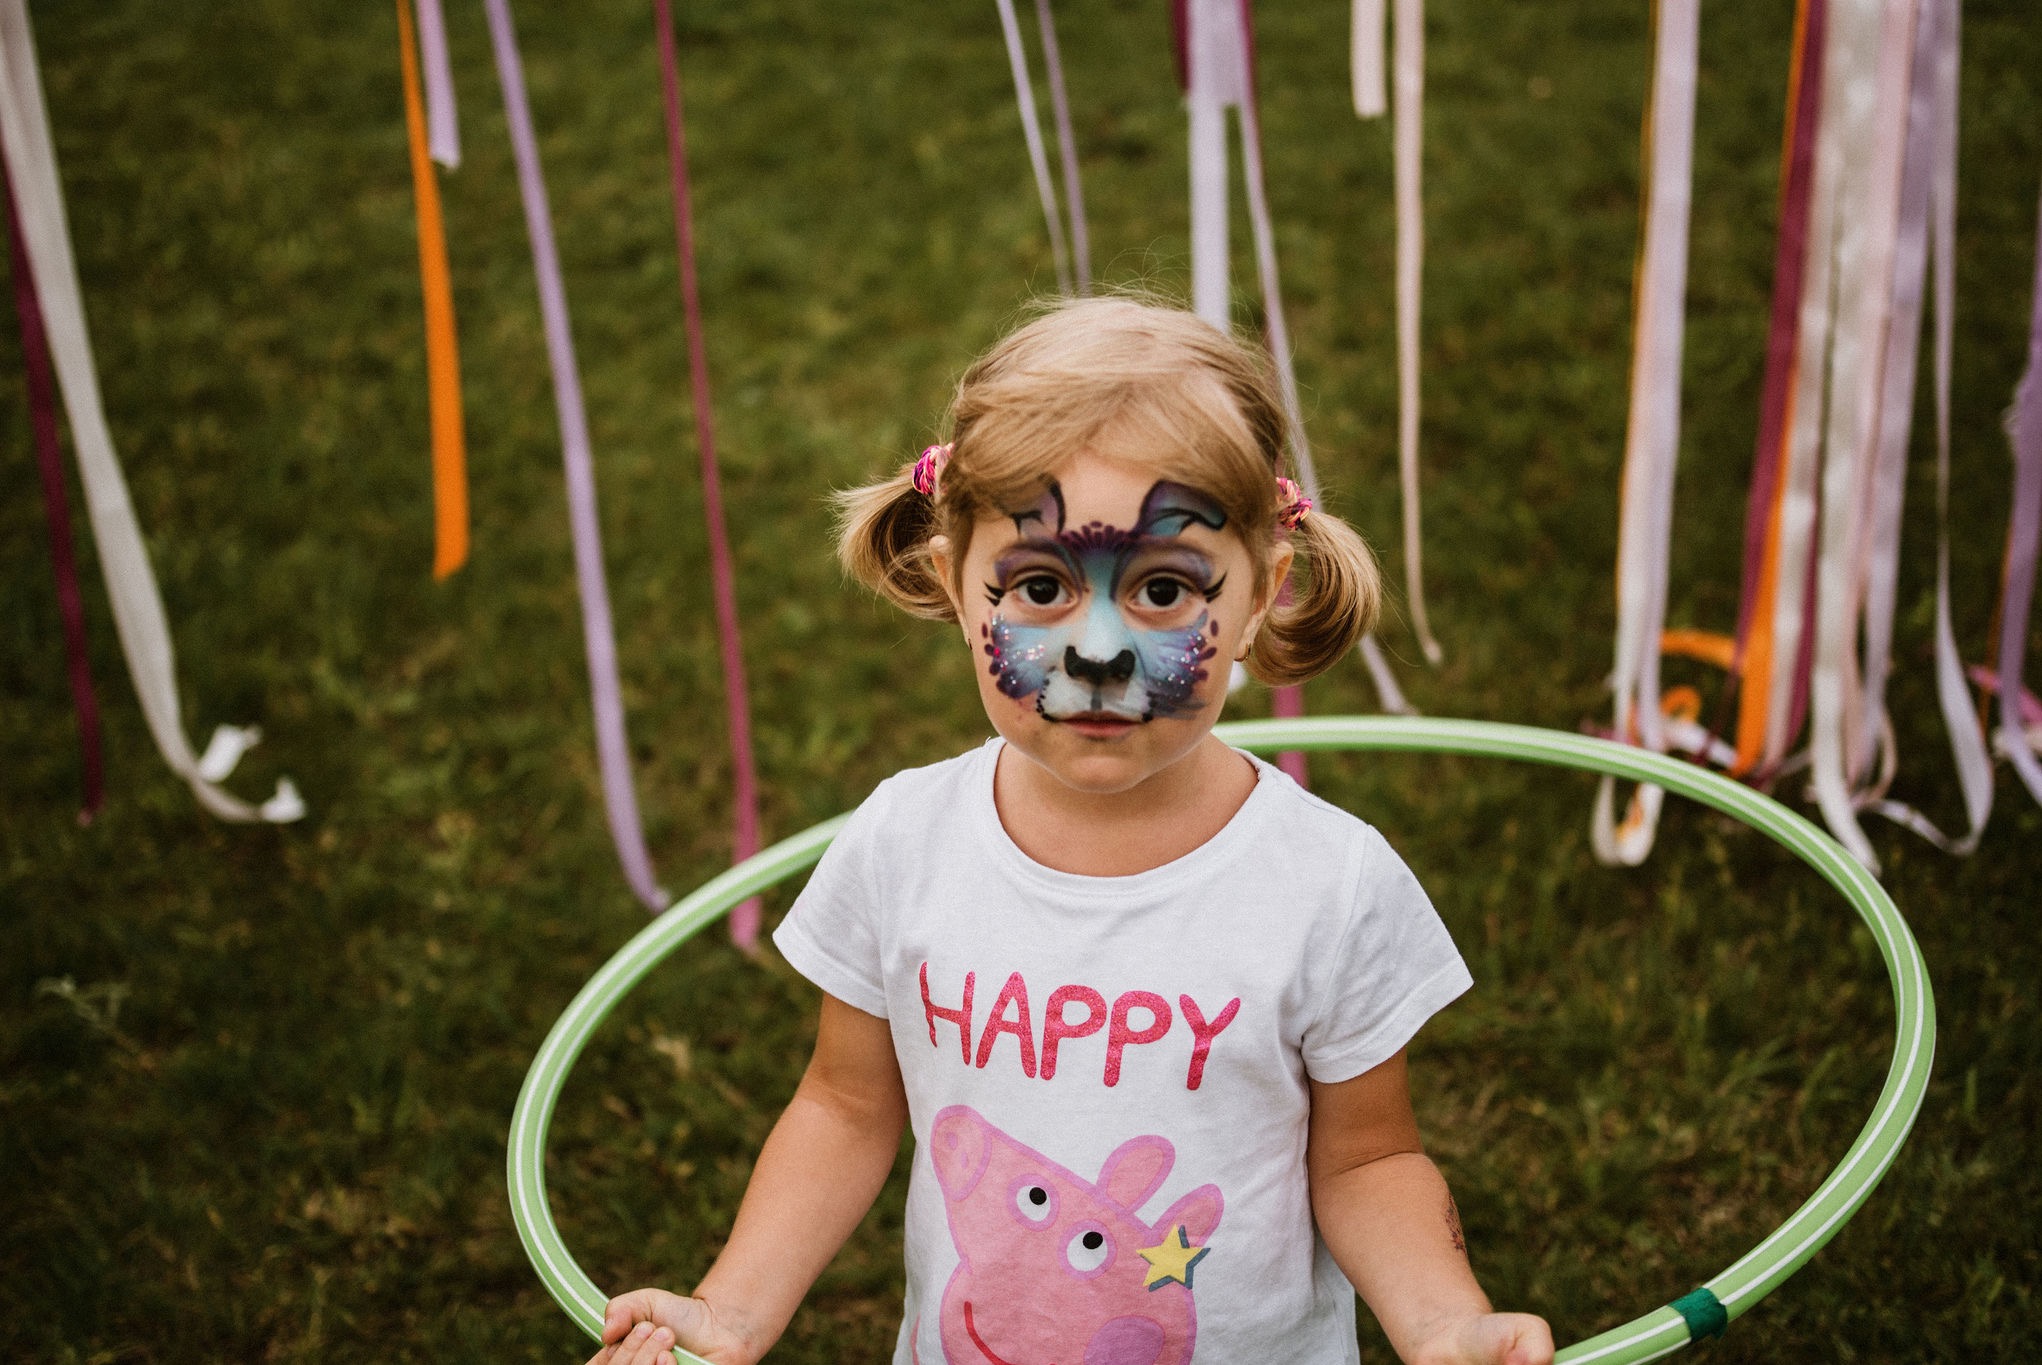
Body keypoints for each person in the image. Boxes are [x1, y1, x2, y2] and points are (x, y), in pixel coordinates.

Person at [589, 297, 1554, 1365]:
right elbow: (844, 1107)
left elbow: (1367, 1162)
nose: (1098, 650)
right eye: (1039, 586)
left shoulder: (1329, 884)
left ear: (1262, 593)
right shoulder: (904, 844)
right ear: (956, 583)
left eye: (1162, 590)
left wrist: (1442, 1322)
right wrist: (731, 1309)